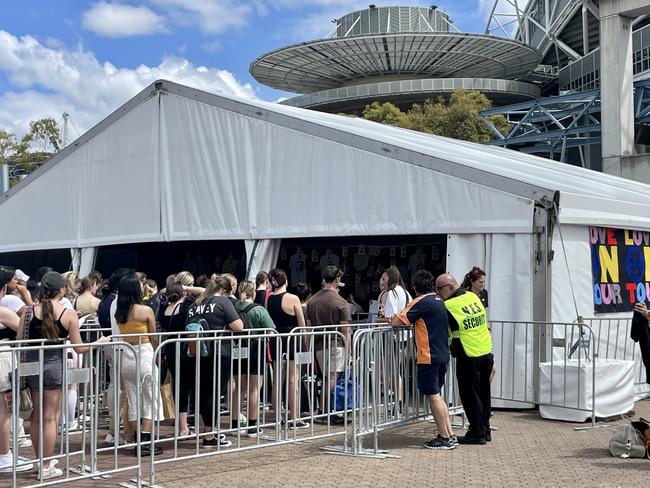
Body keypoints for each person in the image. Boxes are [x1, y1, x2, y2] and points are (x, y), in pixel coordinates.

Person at [18, 272, 109, 479]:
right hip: (54, 366)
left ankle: (40, 460)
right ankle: (46, 464)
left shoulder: (29, 311)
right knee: (50, 418)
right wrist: (98, 342)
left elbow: (19, 338)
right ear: (62, 290)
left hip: (31, 365)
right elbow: (79, 348)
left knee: (36, 417)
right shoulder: (68, 314)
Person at [391, 270, 455, 450]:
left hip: (429, 356)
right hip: (442, 354)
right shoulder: (439, 301)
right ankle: (449, 434)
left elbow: (397, 321)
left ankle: (444, 437)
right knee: (437, 395)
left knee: (432, 396)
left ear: (415, 287)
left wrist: (390, 317)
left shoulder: (420, 302)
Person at [186, 274, 244, 448]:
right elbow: (238, 327)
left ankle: (207, 431)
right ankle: (210, 436)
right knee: (213, 393)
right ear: (226, 290)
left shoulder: (196, 304)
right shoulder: (224, 303)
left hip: (197, 352)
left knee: (202, 392)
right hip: (219, 352)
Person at [435, 273, 493, 445]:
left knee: (470, 395)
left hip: (468, 354)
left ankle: (477, 432)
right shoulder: (472, 296)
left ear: (450, 287)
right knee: (484, 393)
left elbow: (443, 328)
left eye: (440, 289)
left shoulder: (449, 305)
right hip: (485, 350)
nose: (437, 293)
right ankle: (485, 429)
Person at [114, 275, 164, 456]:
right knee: (150, 399)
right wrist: (159, 353)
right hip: (144, 354)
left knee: (133, 400)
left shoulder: (119, 313)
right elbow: (153, 337)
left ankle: (137, 440)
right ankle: (146, 440)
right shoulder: (145, 310)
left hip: (127, 356)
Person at [231, 281, 276, 437]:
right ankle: (252, 425)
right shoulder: (258, 310)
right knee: (254, 389)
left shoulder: (233, 308)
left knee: (238, 388)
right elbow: (271, 331)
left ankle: (234, 424)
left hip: (237, 349)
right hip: (256, 349)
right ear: (253, 293)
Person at [306, 266, 351, 421]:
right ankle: (326, 411)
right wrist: (349, 350)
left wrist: (308, 348)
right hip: (336, 343)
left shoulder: (312, 301)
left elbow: (308, 327)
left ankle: (324, 410)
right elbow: (345, 330)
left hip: (318, 344)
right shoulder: (341, 302)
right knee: (332, 378)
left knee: (326, 377)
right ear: (337, 279)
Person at [266, 268, 309, 429]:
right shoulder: (293, 298)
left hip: (277, 339)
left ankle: (278, 416)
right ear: (286, 281)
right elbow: (302, 325)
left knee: (277, 380)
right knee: (293, 380)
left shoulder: (268, 299)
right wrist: (306, 344)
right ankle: (294, 417)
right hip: (293, 340)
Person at [0, 269, 33, 473]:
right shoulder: (3, 311)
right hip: (3, 359)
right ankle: (4, 456)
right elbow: (28, 326)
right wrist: (29, 299)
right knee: (4, 411)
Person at [159, 283, 195, 438]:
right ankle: (186, 426)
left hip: (170, 350)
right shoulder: (185, 307)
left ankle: (182, 426)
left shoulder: (163, 309)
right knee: (188, 387)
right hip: (183, 350)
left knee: (178, 387)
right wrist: (189, 289)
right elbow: (202, 293)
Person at [461, 266, 496, 385]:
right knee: (472, 374)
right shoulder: (465, 294)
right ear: (472, 282)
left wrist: (488, 329)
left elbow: (485, 313)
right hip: (472, 337)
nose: (483, 285)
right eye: (480, 282)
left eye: (484, 282)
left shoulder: (484, 293)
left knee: (492, 369)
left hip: (484, 334)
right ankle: (470, 399)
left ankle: (481, 393)